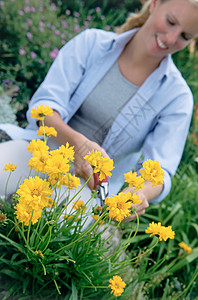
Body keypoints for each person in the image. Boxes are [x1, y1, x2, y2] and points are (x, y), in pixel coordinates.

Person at [0, 0, 198, 222]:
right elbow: (44, 108)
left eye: (185, 36)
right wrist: (78, 144)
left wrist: (140, 192)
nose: (171, 38)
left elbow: (161, 169)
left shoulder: (178, 97)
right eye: (170, 22)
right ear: (153, 5)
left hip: (88, 190)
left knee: (48, 227)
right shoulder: (91, 44)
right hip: (38, 153)